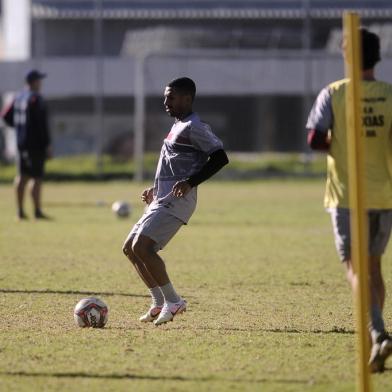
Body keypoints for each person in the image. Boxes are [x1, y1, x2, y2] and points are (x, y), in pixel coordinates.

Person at [306, 28, 392, 373]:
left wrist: (339, 144)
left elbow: (314, 138)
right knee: (373, 268)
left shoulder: (334, 93)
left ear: (347, 56)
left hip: (346, 196)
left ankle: (377, 331)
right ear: (377, 56)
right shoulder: (389, 94)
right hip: (384, 195)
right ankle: (377, 340)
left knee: (354, 268)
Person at [122, 77, 229, 326]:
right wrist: (156, 189)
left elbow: (220, 157)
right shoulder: (178, 125)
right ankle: (159, 302)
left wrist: (191, 181)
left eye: (171, 97)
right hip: (163, 197)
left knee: (143, 247)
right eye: (165, 96)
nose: (165, 101)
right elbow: (174, 164)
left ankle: (174, 301)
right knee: (130, 248)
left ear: (187, 99)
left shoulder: (195, 126)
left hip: (179, 200)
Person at [2, 69, 51, 220]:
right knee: (36, 178)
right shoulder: (36, 99)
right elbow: (41, 124)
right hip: (35, 145)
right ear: (34, 82)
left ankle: (20, 212)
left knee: (22, 176)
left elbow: (5, 116)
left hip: (21, 143)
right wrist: (47, 144)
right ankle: (37, 211)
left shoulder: (18, 97)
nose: (41, 83)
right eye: (39, 80)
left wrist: (19, 129)